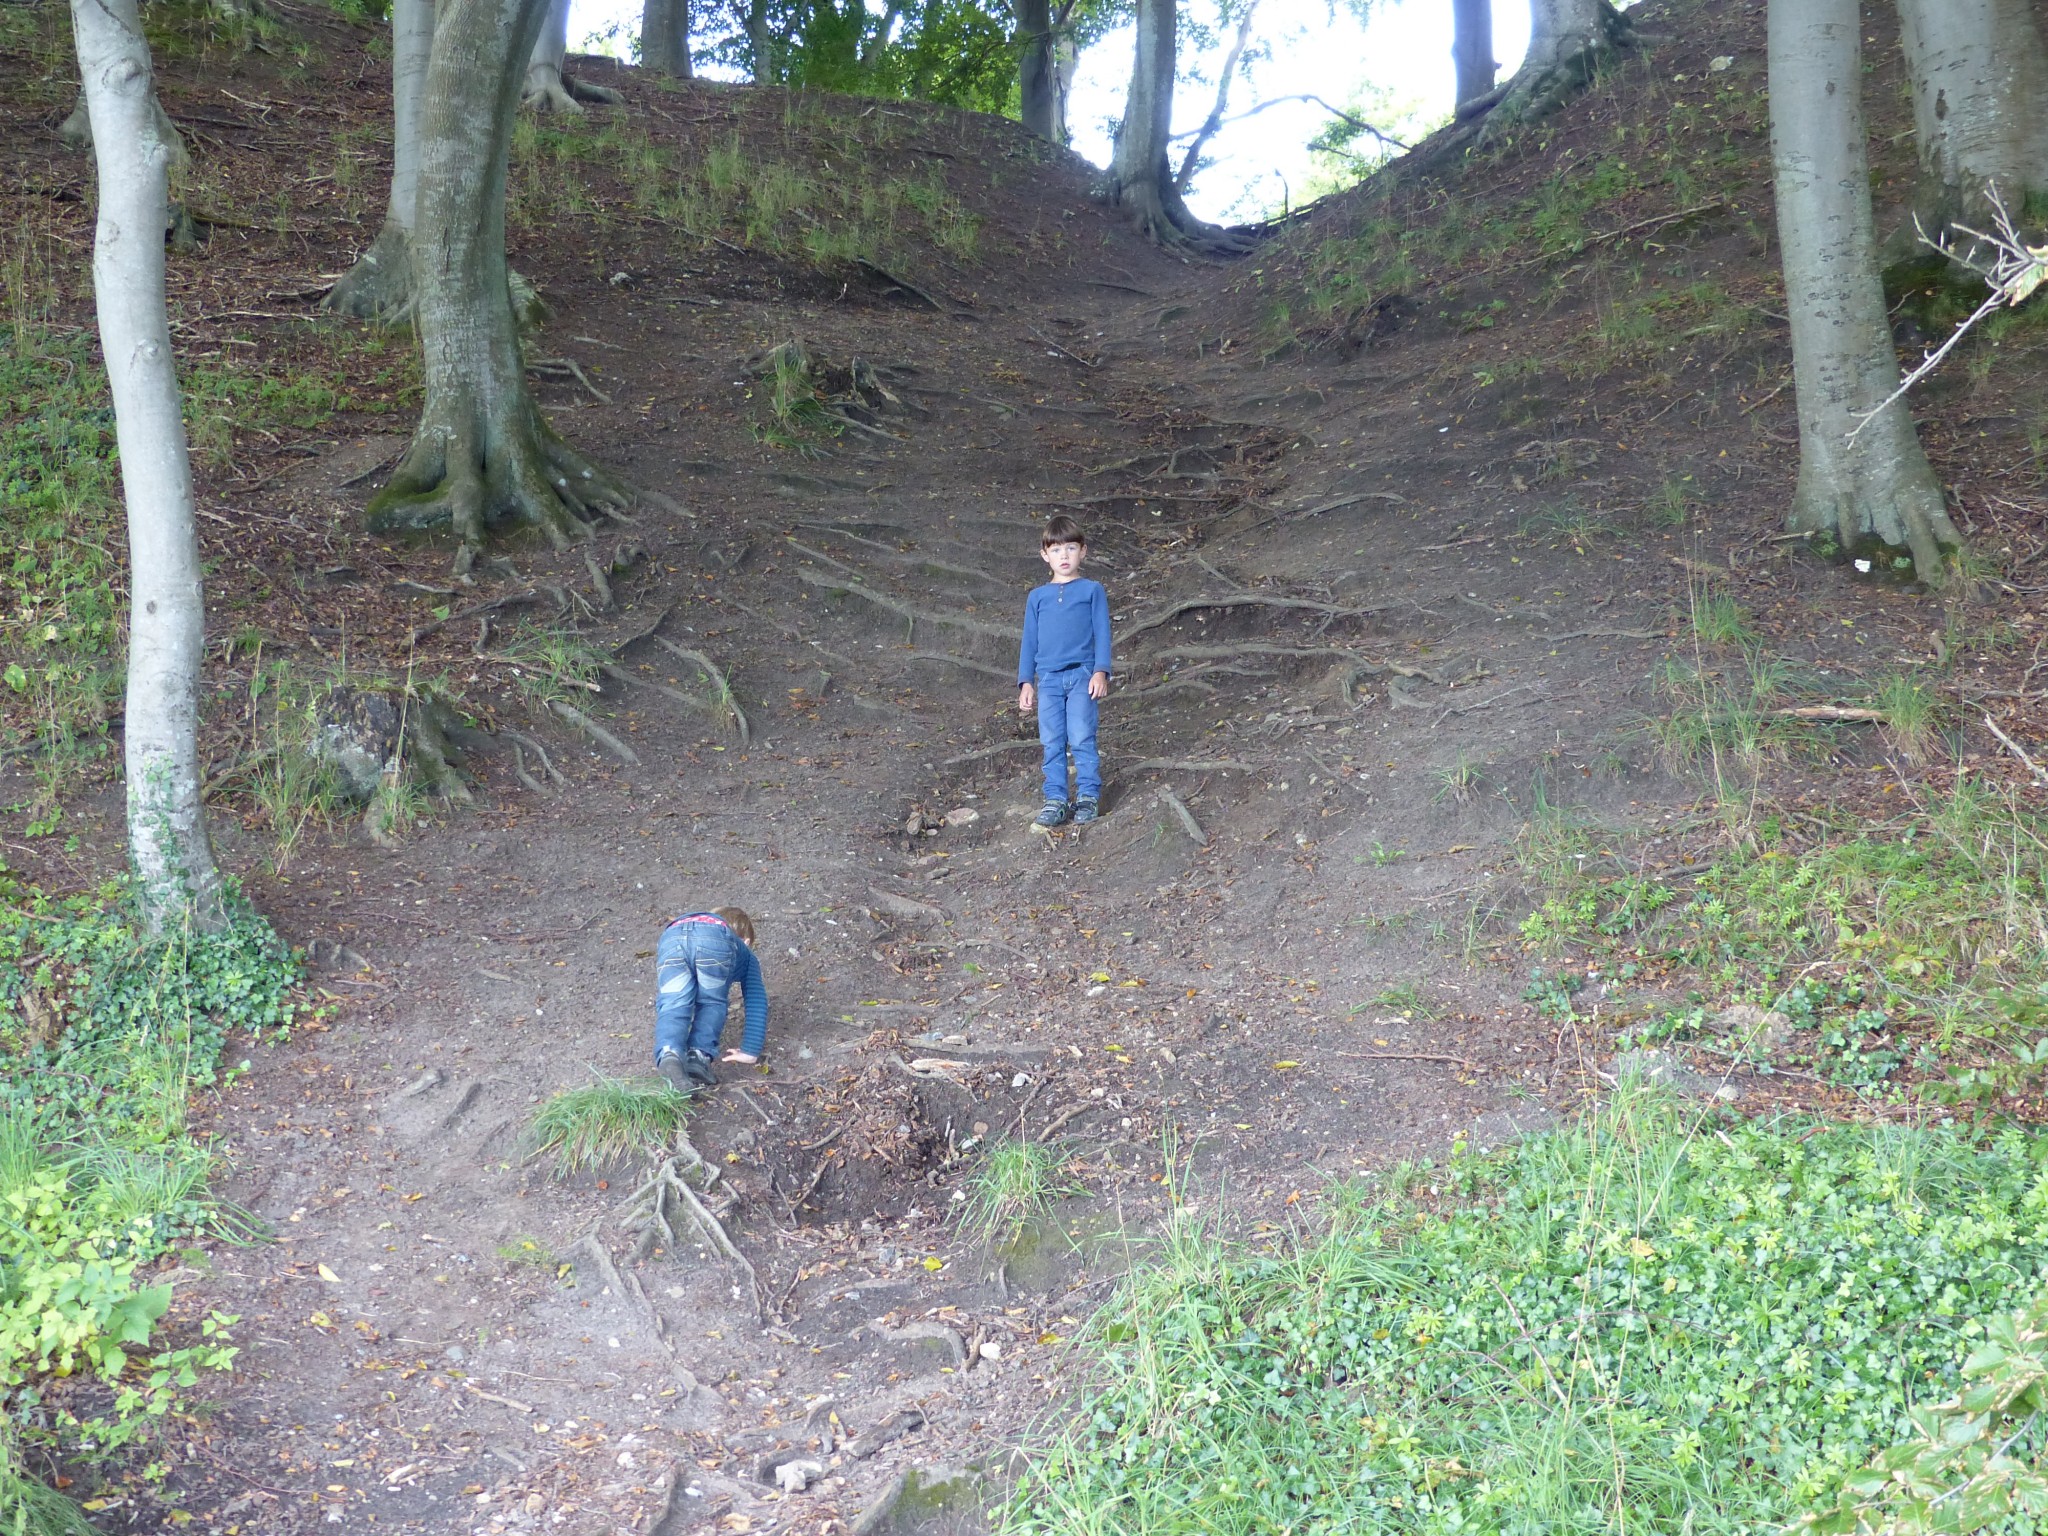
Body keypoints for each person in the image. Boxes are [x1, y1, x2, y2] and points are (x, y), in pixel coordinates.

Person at [1017, 515, 1111, 827]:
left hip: (1082, 675)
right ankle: (1056, 799)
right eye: (1056, 550)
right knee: (1052, 739)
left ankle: (1088, 796)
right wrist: (1026, 682)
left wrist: (1101, 671)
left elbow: (1102, 632)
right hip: (1048, 679)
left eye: (1071, 548)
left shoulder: (1091, 590)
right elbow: (1029, 641)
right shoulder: (1037, 597)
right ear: (1045, 555)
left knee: (1082, 735)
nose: (1064, 556)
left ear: (1083, 551)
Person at [653, 906, 767, 1091]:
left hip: (671, 936)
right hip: (714, 941)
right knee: (711, 1002)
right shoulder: (744, 952)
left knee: (673, 1004)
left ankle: (669, 1053)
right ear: (745, 942)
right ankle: (697, 1057)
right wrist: (750, 1050)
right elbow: (756, 1000)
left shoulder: (701, 922)